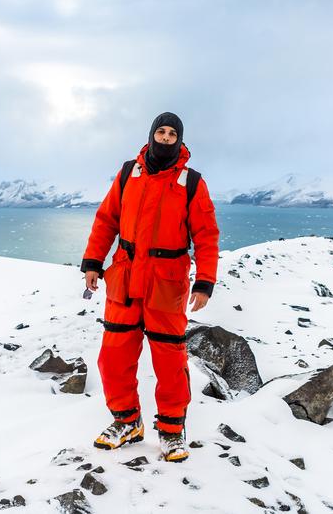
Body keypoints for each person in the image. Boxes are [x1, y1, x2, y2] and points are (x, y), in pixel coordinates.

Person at [81, 112, 219, 463]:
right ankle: (127, 422)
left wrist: (204, 281)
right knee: (113, 357)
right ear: (152, 134)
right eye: (161, 130)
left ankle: (172, 431)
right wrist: (93, 261)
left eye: (173, 132)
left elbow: (205, 236)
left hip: (166, 282)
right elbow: (107, 218)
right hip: (125, 278)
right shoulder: (130, 173)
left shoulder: (191, 182)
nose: (167, 136)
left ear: (180, 139)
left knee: (170, 361)